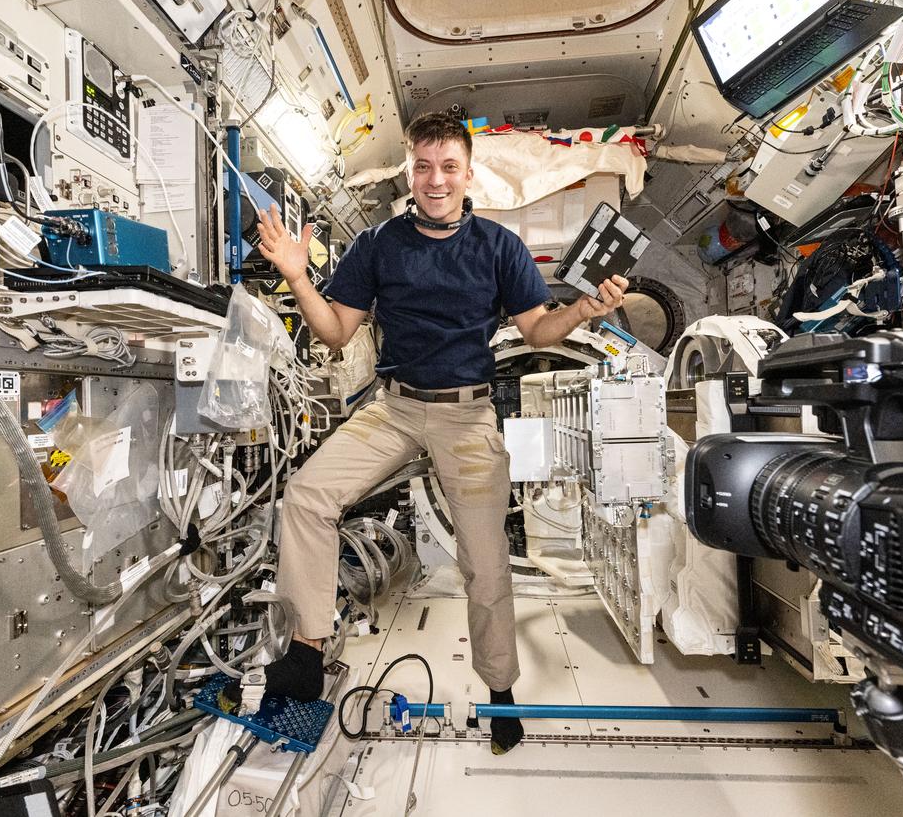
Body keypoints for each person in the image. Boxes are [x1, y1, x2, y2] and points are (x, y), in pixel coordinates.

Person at [254, 111, 628, 754]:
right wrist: (295, 273)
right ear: (408, 169)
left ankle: (501, 689)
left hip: (467, 414)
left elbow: (536, 331)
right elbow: (336, 332)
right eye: (422, 166)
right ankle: (306, 652)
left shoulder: (497, 246)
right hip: (394, 407)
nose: (434, 179)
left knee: (485, 566)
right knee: (308, 495)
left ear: (467, 171)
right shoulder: (378, 245)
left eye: (447, 166)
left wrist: (582, 310)